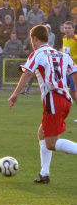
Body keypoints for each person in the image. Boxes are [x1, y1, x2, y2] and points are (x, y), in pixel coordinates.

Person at [8, 24, 77, 184]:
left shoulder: (37, 53)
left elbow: (27, 74)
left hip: (53, 99)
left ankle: (45, 173)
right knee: (42, 133)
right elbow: (74, 72)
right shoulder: (61, 55)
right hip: (65, 99)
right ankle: (44, 173)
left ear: (35, 38)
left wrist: (15, 94)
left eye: (31, 39)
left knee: (51, 143)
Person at [62, 21, 77, 102]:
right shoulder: (64, 38)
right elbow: (64, 51)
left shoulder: (76, 39)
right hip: (66, 69)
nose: (67, 30)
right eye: (65, 28)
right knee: (68, 90)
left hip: (75, 69)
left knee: (73, 91)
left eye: (69, 28)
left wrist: (72, 57)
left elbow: (69, 55)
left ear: (73, 29)